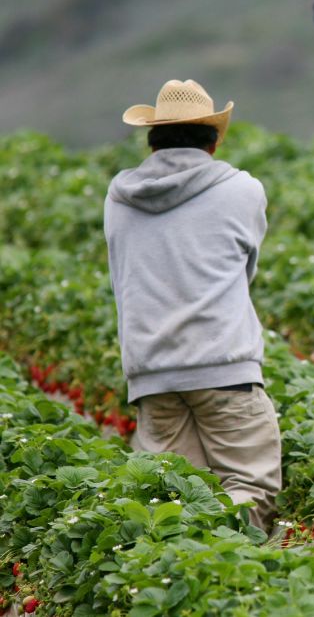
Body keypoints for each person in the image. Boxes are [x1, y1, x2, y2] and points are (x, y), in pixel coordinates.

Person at [104, 79, 281, 532]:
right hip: (224, 367)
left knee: (171, 504)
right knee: (247, 492)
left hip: (151, 374)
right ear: (214, 140)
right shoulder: (243, 190)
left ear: (152, 140)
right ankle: (232, 589)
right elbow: (245, 270)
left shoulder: (118, 198)